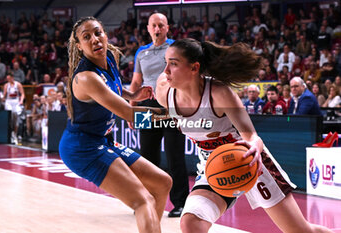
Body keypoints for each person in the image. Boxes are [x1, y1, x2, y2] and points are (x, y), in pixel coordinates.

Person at [155, 38, 333, 233]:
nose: (166, 71)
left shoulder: (219, 93)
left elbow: (251, 135)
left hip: (249, 162)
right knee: (191, 223)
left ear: (194, 67)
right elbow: (148, 111)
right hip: (214, 167)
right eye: (166, 62)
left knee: (301, 231)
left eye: (173, 63)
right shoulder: (164, 91)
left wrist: (256, 145)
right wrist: (131, 99)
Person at [58, 16, 172, 233]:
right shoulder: (86, 77)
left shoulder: (109, 57)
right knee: (143, 200)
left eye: (98, 32)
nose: (95, 39)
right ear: (79, 47)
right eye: (86, 37)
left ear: (105, 34)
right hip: (82, 148)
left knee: (162, 182)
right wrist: (172, 114)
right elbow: (129, 113)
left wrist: (133, 93)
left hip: (102, 140)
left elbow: (114, 89)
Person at [129, 12, 189, 217]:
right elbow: (136, 83)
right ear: (147, 28)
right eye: (153, 25)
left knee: (174, 155)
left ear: (167, 28)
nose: (157, 29)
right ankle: (148, 201)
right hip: (146, 108)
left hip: (171, 106)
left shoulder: (177, 48)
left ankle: (180, 203)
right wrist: (131, 109)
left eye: (161, 25)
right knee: (146, 156)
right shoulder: (141, 52)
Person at [3, 72, 25, 144]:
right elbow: (4, 95)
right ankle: (10, 133)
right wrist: (1, 97)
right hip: (9, 101)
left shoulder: (18, 84)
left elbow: (22, 94)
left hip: (16, 101)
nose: (8, 80)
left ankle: (15, 133)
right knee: (10, 116)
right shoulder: (6, 85)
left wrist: (21, 100)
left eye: (9, 78)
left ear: (12, 77)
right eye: (7, 79)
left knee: (16, 116)